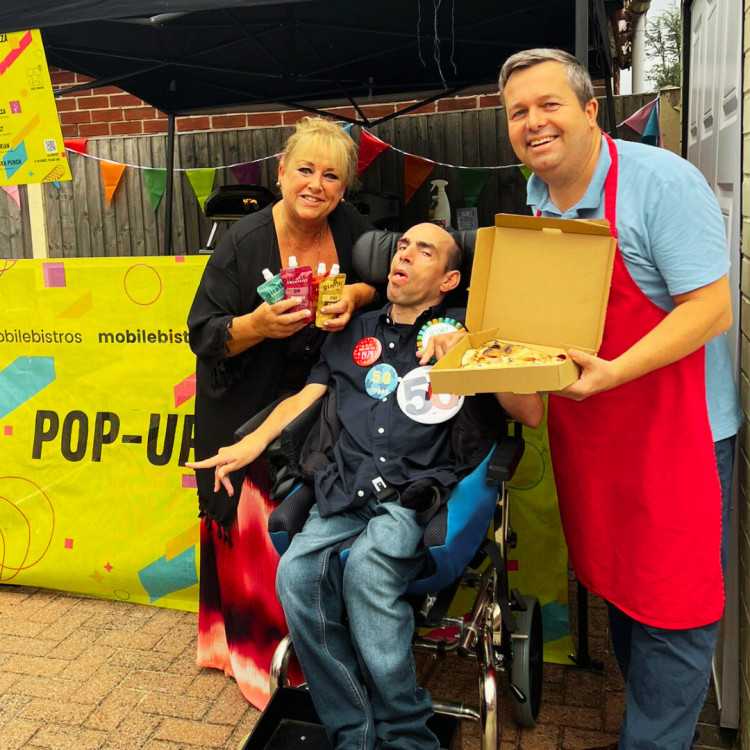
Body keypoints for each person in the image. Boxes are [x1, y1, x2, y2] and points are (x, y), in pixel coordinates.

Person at [188, 222, 543, 750]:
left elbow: (531, 412)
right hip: (343, 488)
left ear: (449, 279)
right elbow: (305, 398)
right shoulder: (352, 329)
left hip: (414, 497)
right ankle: (353, 731)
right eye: (402, 246)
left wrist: (474, 354)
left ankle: (406, 735)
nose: (405, 255)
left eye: (425, 251)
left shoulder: (473, 329)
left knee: (368, 574)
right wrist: (251, 444)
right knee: (297, 575)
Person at [497, 48, 742, 750]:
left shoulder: (661, 182)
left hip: (680, 438)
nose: (534, 123)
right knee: (625, 597)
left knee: (675, 607)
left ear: (590, 110)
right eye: (518, 112)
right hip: (597, 438)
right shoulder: (538, 199)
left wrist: (612, 372)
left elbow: (710, 308)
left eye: (548, 104)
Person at [186, 117, 377, 709]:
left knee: (305, 510)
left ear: (344, 189)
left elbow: (381, 279)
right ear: (280, 172)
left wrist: (356, 296)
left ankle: (310, 646)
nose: (316, 184)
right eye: (305, 169)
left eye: (331, 176)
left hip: (316, 396)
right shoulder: (243, 242)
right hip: (243, 393)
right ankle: (246, 652)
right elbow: (203, 333)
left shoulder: (350, 229)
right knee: (250, 516)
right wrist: (256, 326)